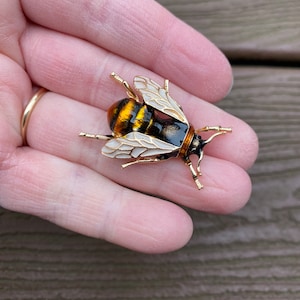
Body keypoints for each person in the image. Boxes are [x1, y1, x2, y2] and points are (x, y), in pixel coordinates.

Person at [0, 0, 258, 253]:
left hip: (135, 113)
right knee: (137, 141)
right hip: (129, 120)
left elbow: (156, 110)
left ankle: (104, 125)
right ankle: (100, 132)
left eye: (195, 146)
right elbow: (146, 151)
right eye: (197, 144)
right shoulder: (171, 150)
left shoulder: (180, 121)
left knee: (141, 129)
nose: (195, 147)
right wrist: (192, 172)